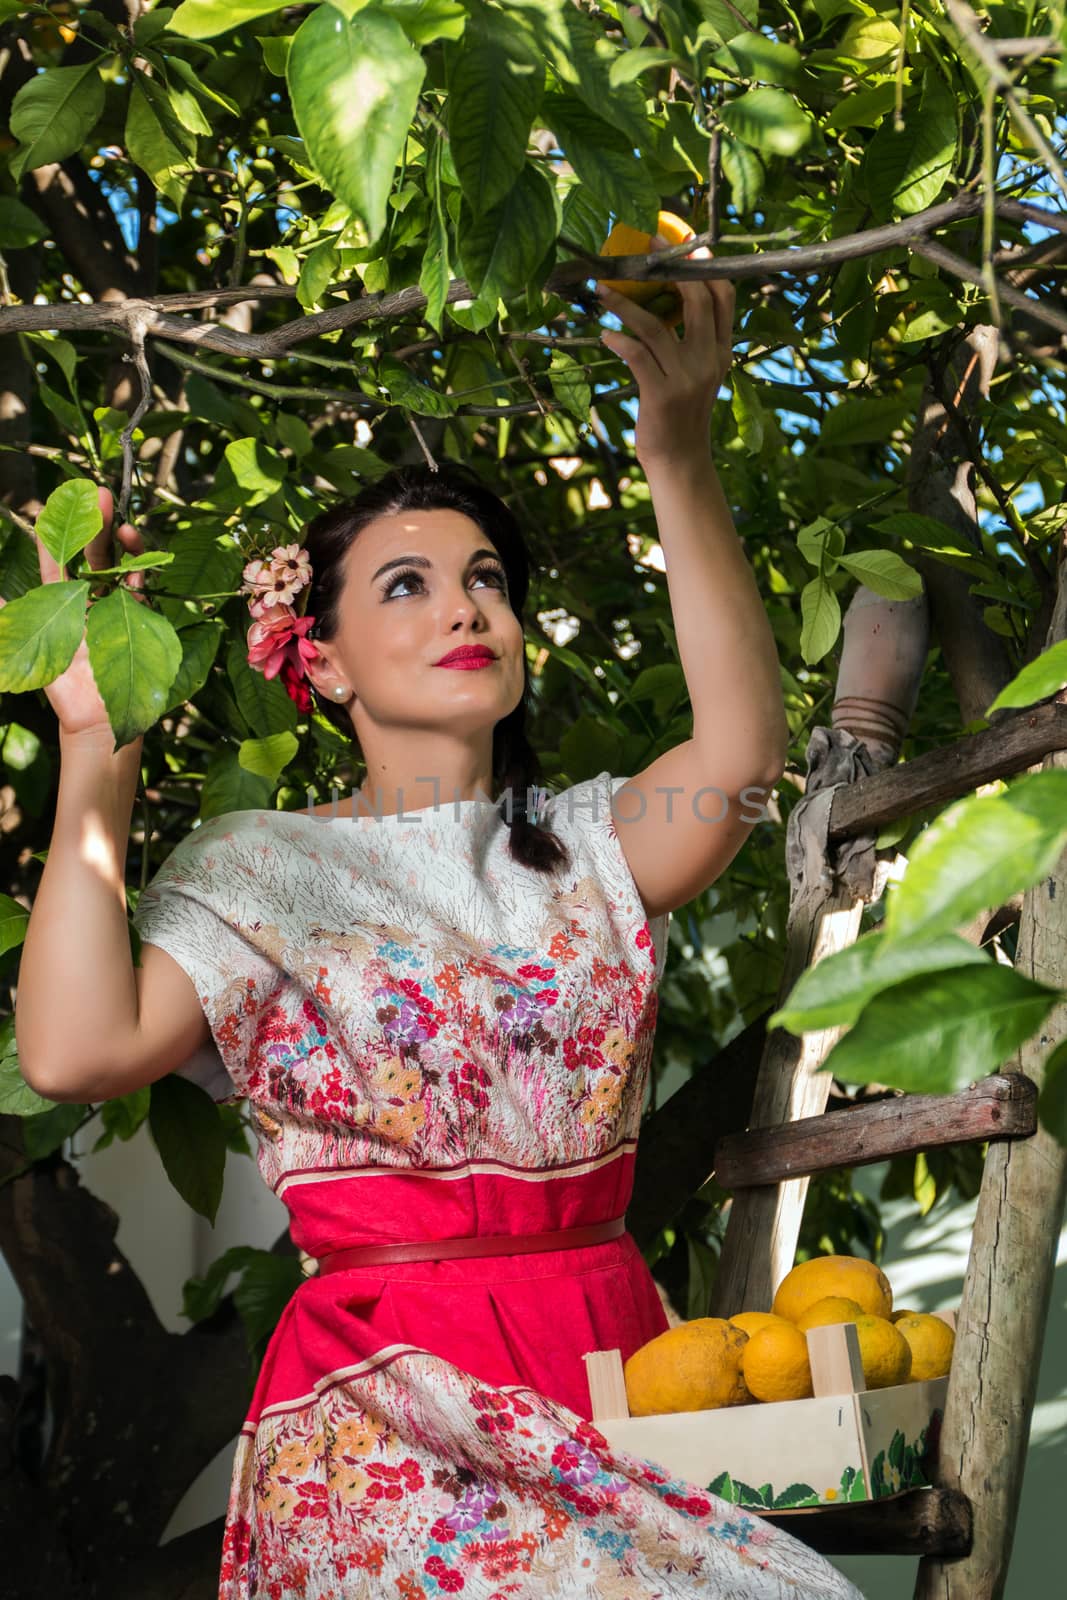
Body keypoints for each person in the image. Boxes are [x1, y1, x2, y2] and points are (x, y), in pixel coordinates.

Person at [15, 255, 865, 1599]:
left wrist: (678, 455)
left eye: (485, 578)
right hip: (389, 1394)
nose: (466, 603)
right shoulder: (260, 866)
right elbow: (72, 1052)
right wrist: (92, 749)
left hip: (610, 1360)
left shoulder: (591, 841)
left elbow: (743, 752)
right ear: (326, 658)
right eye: (406, 584)